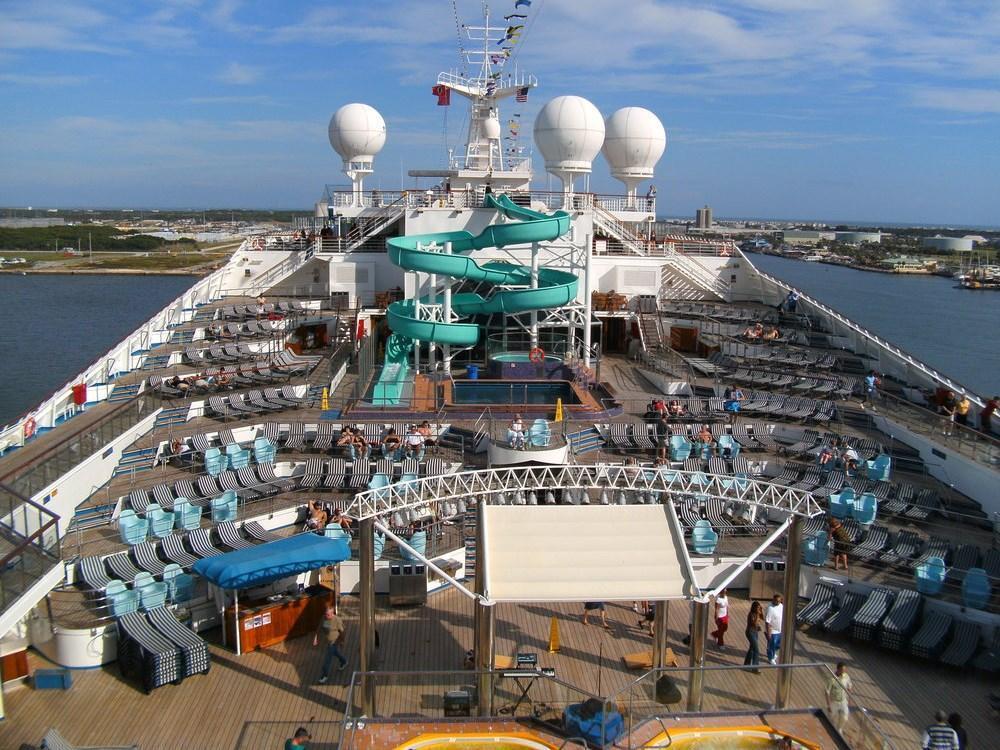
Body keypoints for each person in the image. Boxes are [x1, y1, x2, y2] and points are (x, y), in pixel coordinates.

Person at [314, 604, 347, 683]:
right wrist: (315, 638)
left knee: (327, 659)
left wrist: (342, 641)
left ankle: (324, 675)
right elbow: (319, 627)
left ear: (333, 613)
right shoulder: (324, 618)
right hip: (328, 642)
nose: (326, 616)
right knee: (335, 652)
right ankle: (344, 661)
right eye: (325, 614)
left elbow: (342, 632)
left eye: (328, 615)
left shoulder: (337, 620)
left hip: (334, 642)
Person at [824, 661, 853, 733]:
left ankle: (839, 728)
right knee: (831, 717)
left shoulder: (846, 676)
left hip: (843, 701)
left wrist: (849, 697)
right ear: (838, 669)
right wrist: (828, 705)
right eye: (842, 670)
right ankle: (830, 730)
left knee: (845, 717)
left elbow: (850, 686)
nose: (843, 672)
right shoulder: (831, 679)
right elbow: (827, 692)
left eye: (844, 670)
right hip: (834, 701)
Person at [765, 593, 784, 664]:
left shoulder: (781, 606)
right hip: (773, 631)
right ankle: (771, 658)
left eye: (779, 601)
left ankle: (771, 650)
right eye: (776, 601)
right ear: (773, 600)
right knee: (772, 644)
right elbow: (767, 622)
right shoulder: (770, 608)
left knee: (779, 645)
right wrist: (769, 633)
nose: (778, 602)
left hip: (780, 629)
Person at [744, 600, 762, 673]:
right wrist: (758, 615)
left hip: (755, 632)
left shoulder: (757, 614)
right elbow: (754, 623)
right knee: (756, 650)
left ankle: (746, 664)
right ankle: (755, 668)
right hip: (750, 633)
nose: (758, 609)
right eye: (758, 608)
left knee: (751, 649)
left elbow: (759, 621)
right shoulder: (751, 614)